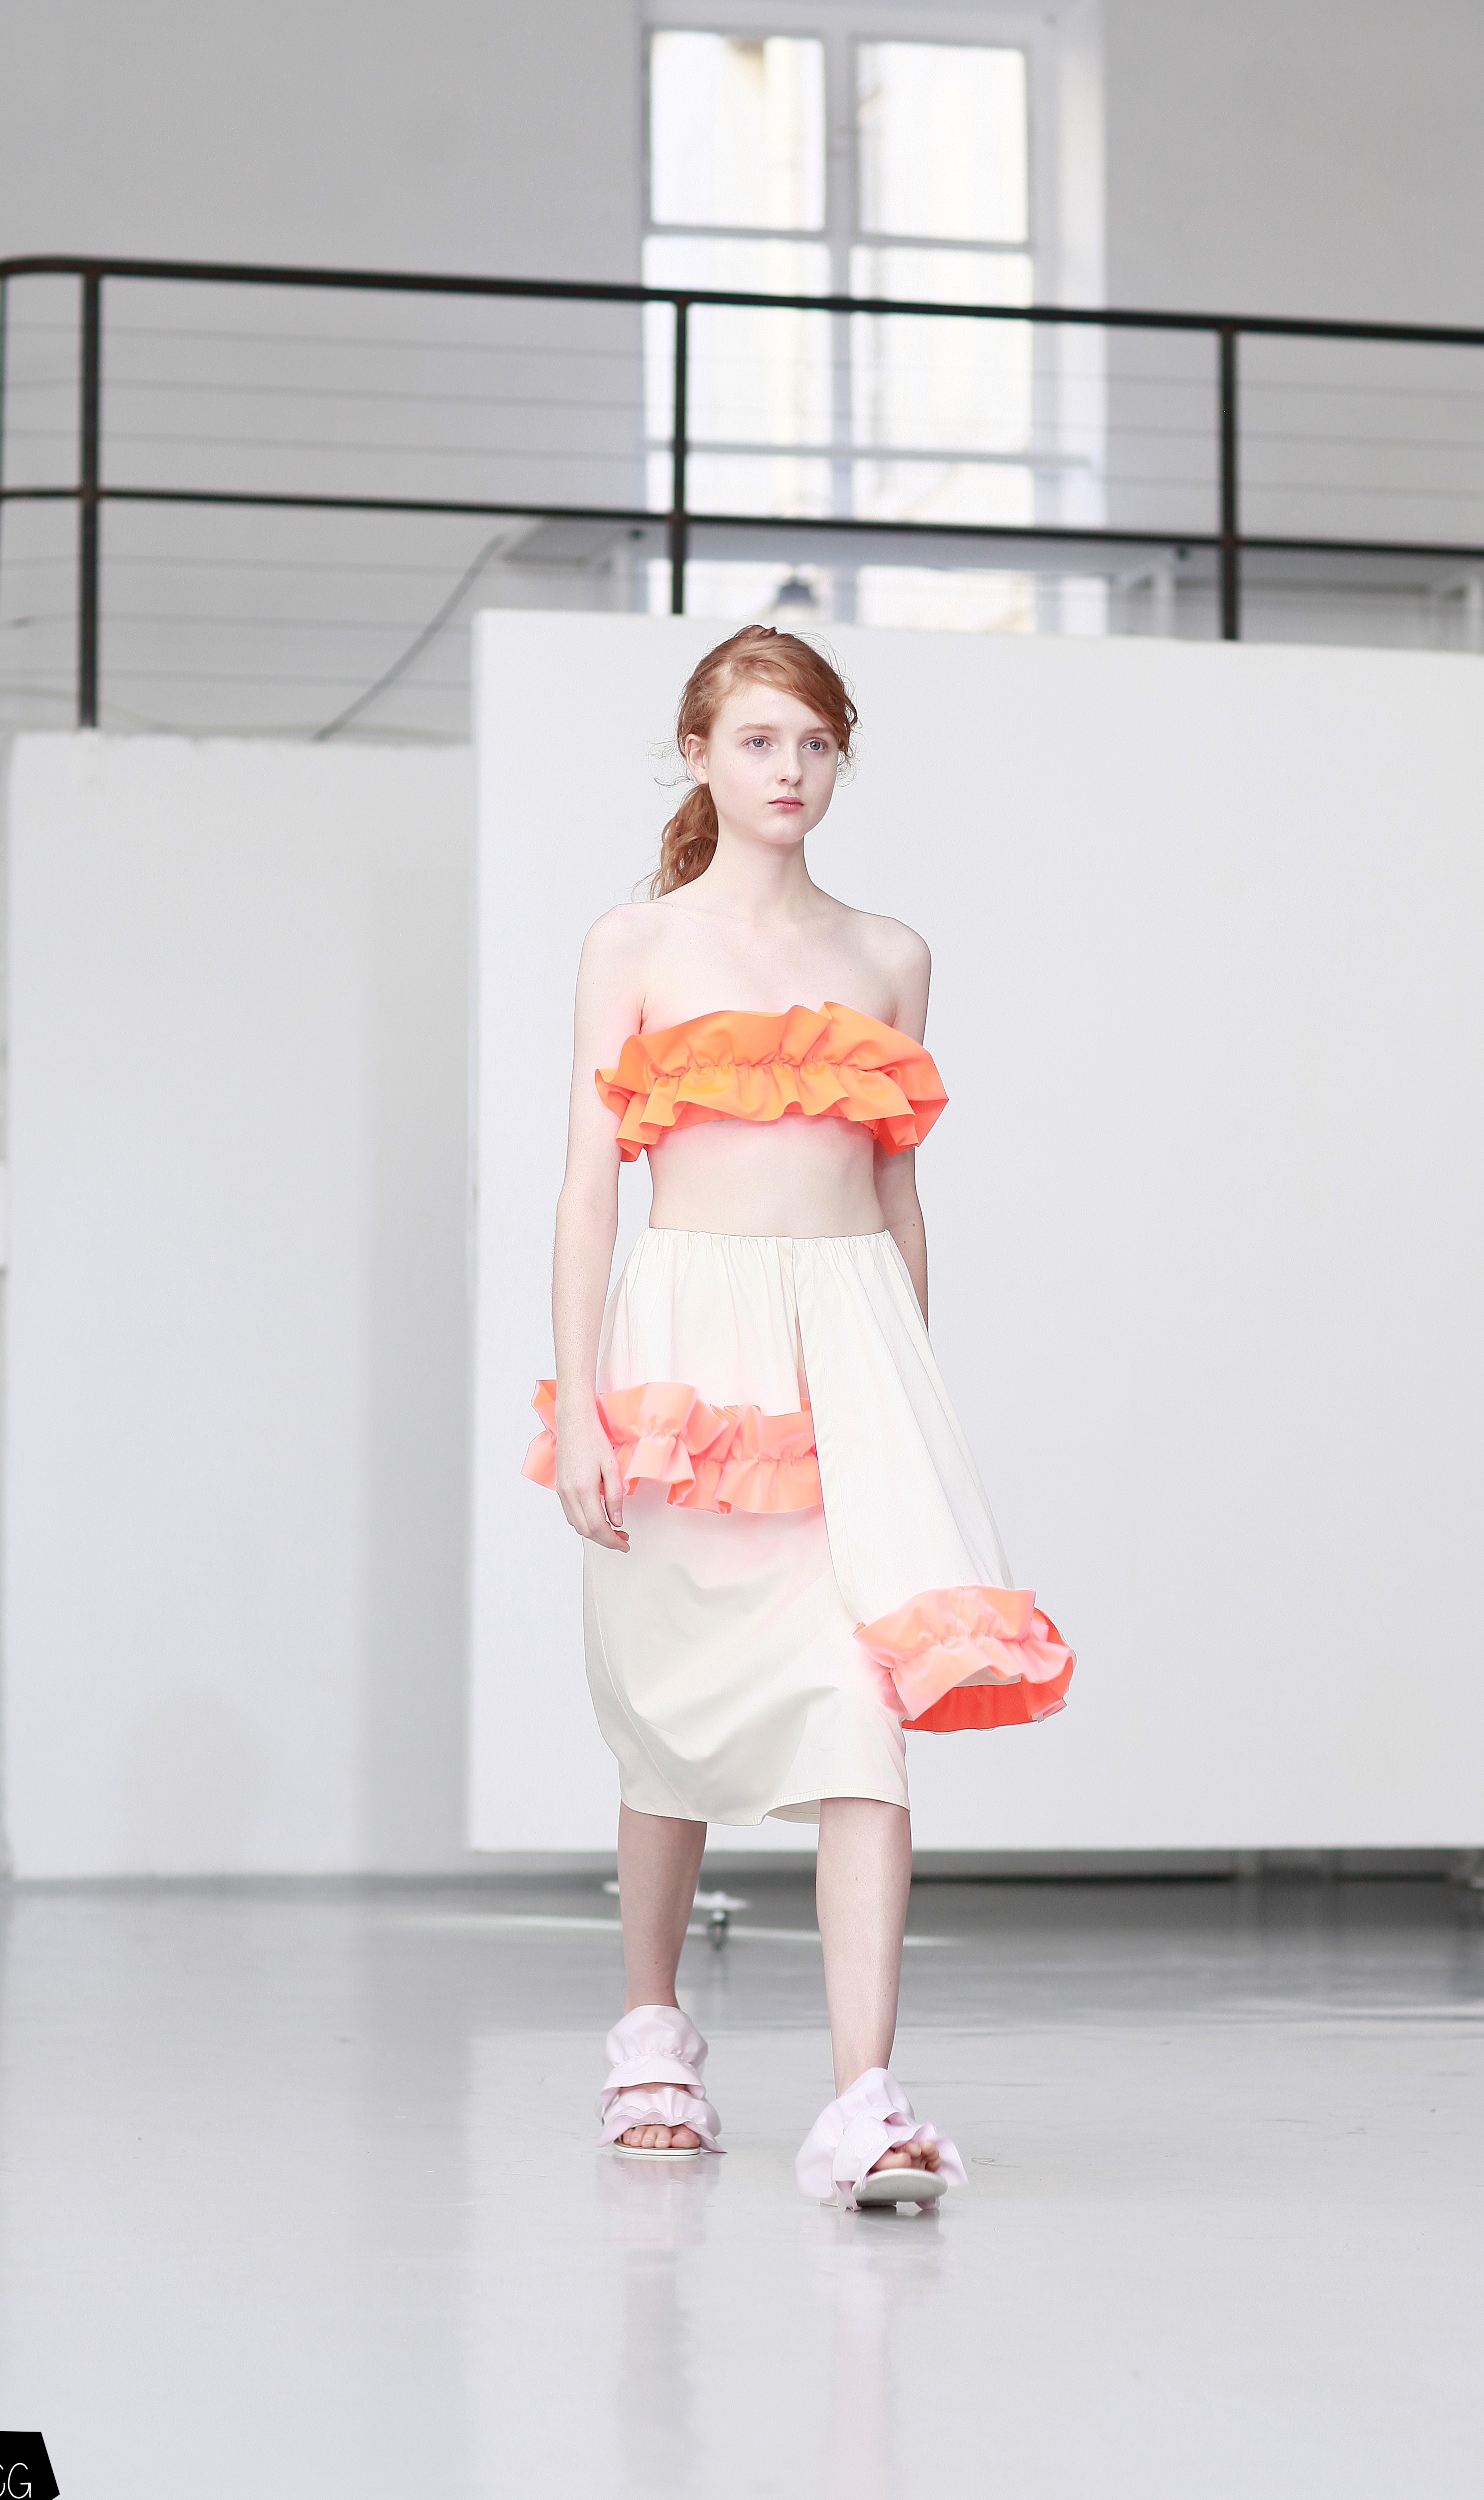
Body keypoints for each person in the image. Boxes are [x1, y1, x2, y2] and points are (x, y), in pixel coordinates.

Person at [526, 625, 1072, 2210]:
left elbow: (898, 1198)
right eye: (760, 741)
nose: (790, 771)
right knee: (669, 1704)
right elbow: (586, 1191)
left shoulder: (888, 954)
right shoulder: (634, 943)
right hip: (686, 1351)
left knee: (862, 1701)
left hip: (854, 1348)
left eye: (816, 744)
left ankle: (862, 2102)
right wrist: (580, 1409)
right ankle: (650, 2032)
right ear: (699, 755)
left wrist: (907, 1389)